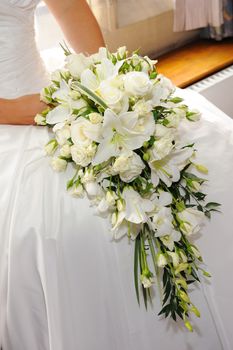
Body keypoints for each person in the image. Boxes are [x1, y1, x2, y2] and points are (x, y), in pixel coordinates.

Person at [0, 1, 233, 349]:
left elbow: (77, 22)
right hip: (26, 115)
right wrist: (26, 109)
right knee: (57, 232)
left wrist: (104, 92)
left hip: (57, 98)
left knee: (199, 160)